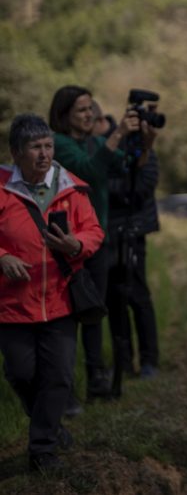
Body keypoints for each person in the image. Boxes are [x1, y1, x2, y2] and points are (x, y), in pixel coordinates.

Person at [0, 114, 104, 472]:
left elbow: (94, 231)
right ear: (16, 152)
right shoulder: (0, 186)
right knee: (22, 374)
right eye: (35, 147)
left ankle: (42, 449)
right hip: (11, 305)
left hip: (60, 300)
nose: (44, 155)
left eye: (48, 146)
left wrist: (77, 245)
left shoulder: (70, 187)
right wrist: (2, 256)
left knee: (58, 375)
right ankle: (51, 423)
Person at [49, 85, 156, 400]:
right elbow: (89, 172)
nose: (90, 115)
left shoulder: (96, 140)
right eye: (82, 110)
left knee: (94, 310)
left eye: (90, 109)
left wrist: (146, 143)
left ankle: (96, 377)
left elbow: (131, 165)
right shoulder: (58, 144)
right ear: (63, 114)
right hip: (66, 242)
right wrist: (117, 134)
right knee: (67, 316)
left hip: (97, 240)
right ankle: (64, 385)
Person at [101, 111, 161, 379]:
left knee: (137, 295)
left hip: (133, 231)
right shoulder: (96, 148)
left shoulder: (134, 143)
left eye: (92, 115)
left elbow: (145, 184)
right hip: (106, 234)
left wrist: (110, 188)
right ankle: (123, 361)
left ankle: (149, 360)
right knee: (114, 297)